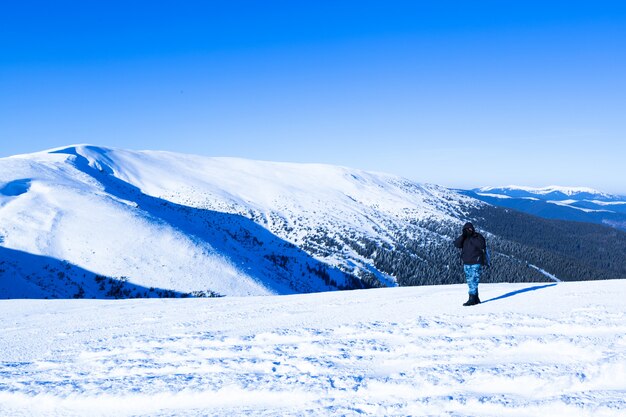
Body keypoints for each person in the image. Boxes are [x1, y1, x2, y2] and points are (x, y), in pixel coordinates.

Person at [454, 222, 487, 306]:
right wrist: (463, 236)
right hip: (466, 262)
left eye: (470, 229)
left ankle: (471, 299)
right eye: (466, 230)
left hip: (476, 262)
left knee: (473, 280)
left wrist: (472, 236)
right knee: (470, 281)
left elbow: (482, 245)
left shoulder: (477, 236)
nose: (468, 231)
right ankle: (476, 298)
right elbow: (456, 244)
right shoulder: (464, 238)